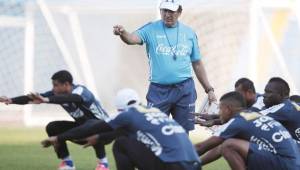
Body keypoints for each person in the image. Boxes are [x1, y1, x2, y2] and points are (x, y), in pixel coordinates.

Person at [113, 0, 216, 132]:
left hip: (184, 90)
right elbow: (131, 39)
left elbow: (197, 63)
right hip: (158, 91)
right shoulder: (151, 29)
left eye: (171, 11)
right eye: (164, 10)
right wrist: (123, 33)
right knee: (154, 130)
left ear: (179, 12)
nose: (167, 14)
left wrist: (209, 89)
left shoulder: (189, 33)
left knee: (182, 133)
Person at [41, 88, 201, 170]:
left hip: (173, 166)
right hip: (194, 165)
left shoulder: (129, 114)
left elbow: (93, 126)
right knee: (132, 140)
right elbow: (127, 131)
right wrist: (99, 138)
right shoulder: (153, 112)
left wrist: (59, 138)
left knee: (121, 144)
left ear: (120, 109)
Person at [0, 70, 110, 170]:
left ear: (66, 84)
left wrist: (46, 100)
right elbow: (35, 98)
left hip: (106, 132)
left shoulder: (81, 91)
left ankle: (103, 164)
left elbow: (72, 98)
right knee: (53, 127)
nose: (53, 89)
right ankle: (67, 163)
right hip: (82, 131)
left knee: (93, 125)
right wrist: (11, 100)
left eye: (56, 85)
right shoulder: (57, 94)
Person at [195, 91, 300, 170]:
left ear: (228, 109)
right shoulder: (251, 116)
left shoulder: (238, 122)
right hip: (291, 163)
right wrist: (195, 165)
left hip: (285, 163)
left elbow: (201, 147)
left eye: (220, 109)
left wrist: (181, 159)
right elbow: (219, 148)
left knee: (229, 145)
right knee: (229, 144)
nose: (219, 112)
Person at [260, 77, 300, 144]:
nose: (264, 95)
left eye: (269, 92)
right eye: (265, 91)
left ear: (283, 95)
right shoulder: (293, 105)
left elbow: (249, 120)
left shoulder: (282, 108)